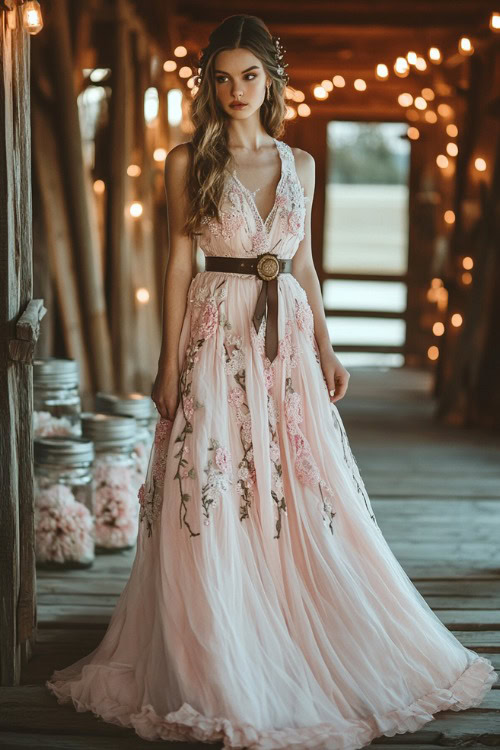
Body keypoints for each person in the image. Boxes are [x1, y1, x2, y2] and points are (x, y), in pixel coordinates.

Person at [46, 14, 497, 749]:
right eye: (221, 77)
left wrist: (328, 348)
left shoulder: (303, 165)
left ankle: (291, 614)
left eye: (249, 75)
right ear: (209, 84)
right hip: (214, 330)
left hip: (283, 337)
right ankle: (222, 642)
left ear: (271, 81)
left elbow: (306, 265)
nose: (235, 90)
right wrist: (166, 366)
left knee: (297, 481)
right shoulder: (186, 160)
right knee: (214, 479)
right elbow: (174, 265)